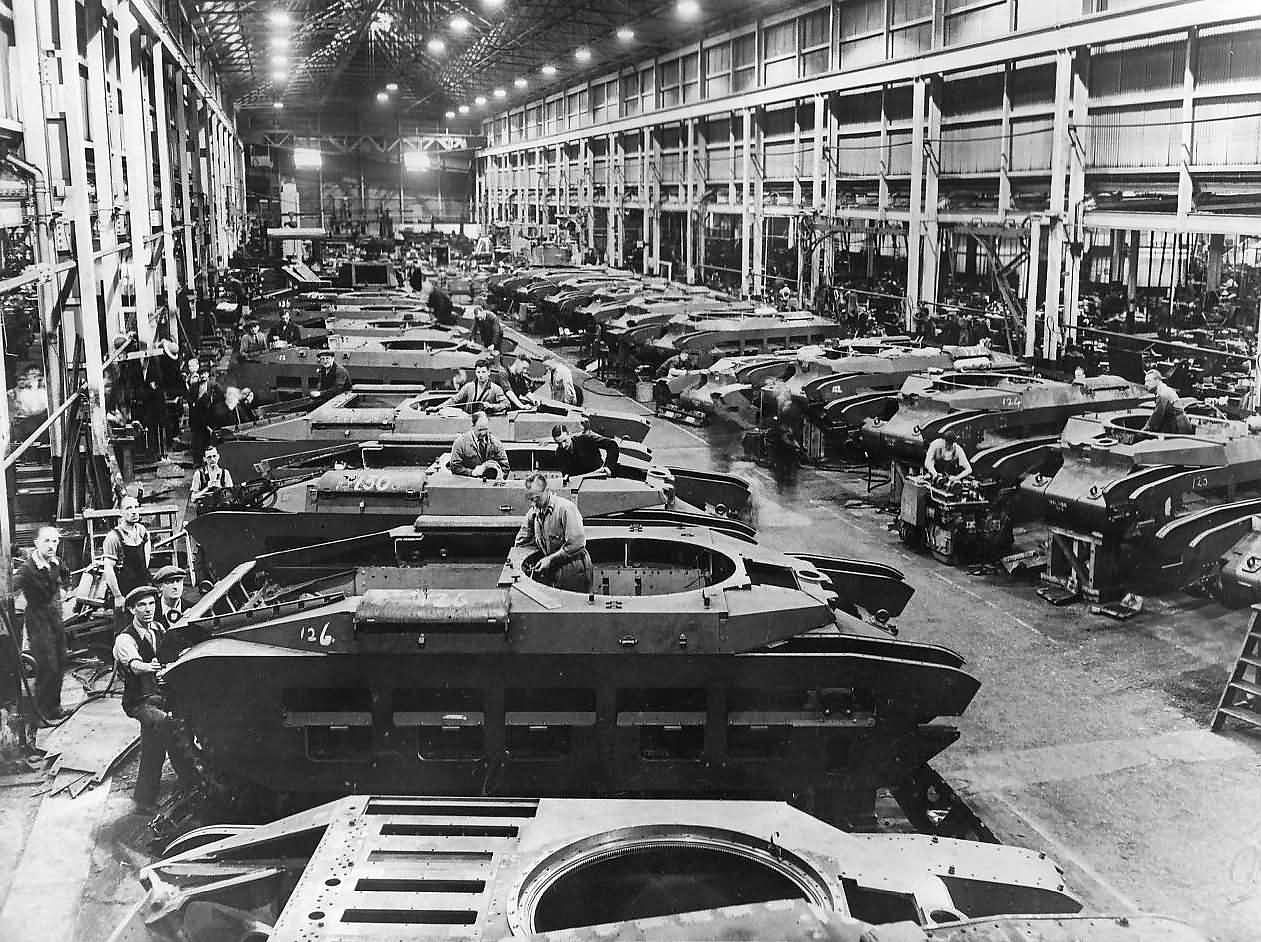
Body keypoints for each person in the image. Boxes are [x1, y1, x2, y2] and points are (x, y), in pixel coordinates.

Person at [112, 585, 199, 812]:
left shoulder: (158, 628)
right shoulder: (124, 639)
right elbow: (133, 664)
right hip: (139, 701)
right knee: (165, 727)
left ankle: (150, 796)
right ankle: (188, 781)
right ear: (132, 609)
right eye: (141, 605)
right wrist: (148, 667)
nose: (148, 609)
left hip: (159, 696)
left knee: (157, 740)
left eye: (151, 603)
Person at [14, 526, 70, 720]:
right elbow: (11, 585)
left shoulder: (56, 563)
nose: (51, 545)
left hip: (55, 616)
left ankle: (54, 707)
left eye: (55, 541)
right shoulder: (27, 568)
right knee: (48, 666)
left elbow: (65, 574)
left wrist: (63, 591)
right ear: (36, 543)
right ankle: (40, 713)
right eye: (47, 541)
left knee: (61, 662)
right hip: (37, 620)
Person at [514, 472, 593, 592]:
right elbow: (521, 542)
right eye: (530, 499)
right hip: (552, 568)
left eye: (536, 498)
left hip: (574, 569)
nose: (533, 503)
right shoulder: (534, 513)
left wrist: (550, 559)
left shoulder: (566, 509)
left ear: (547, 490)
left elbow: (577, 544)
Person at [102, 494, 152, 612]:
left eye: (136, 507)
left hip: (142, 584)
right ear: (121, 512)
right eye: (129, 508)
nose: (134, 512)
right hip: (124, 589)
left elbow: (146, 557)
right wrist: (118, 596)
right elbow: (108, 569)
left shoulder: (142, 531)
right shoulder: (113, 537)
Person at [448, 411, 511, 479]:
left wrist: (499, 478)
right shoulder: (460, 443)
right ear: (472, 426)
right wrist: (472, 472)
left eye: (485, 429)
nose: (483, 433)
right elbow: (455, 467)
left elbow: (505, 467)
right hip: (469, 484)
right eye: (480, 430)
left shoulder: (496, 443)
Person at [553, 421, 620, 477]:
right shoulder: (559, 453)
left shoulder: (585, 439)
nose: (563, 445)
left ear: (569, 435)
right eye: (559, 443)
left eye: (564, 441)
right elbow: (566, 474)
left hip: (599, 477)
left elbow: (612, 445)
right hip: (579, 484)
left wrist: (608, 467)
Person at [1143, 369, 1194, 435]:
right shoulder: (1163, 389)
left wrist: (1141, 433)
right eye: (1145, 381)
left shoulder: (1163, 393)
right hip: (1177, 425)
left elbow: (1156, 418)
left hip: (1179, 429)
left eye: (1148, 381)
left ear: (1157, 380)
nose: (1146, 384)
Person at [190, 444, 235, 512]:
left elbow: (232, 496)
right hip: (205, 511)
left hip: (221, 510)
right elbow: (193, 498)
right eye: (209, 457)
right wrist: (207, 488)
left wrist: (220, 488)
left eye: (214, 456)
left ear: (218, 456)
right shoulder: (198, 474)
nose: (212, 459)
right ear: (204, 459)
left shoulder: (225, 473)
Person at [152, 565, 188, 630]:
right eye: (170, 582)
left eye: (178, 581)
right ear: (160, 587)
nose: (175, 587)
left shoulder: (192, 609)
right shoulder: (151, 610)